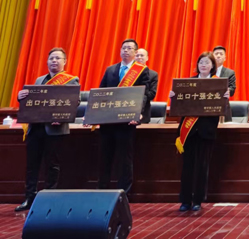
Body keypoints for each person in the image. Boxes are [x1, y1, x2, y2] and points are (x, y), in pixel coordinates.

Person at [15, 48, 79, 212]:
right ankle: (29, 198)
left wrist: (61, 117)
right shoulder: (40, 80)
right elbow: (34, 100)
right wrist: (20, 97)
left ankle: (49, 200)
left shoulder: (71, 81)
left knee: (52, 166)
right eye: (51, 58)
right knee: (32, 165)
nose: (54, 61)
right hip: (36, 128)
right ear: (47, 62)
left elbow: (74, 103)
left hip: (55, 130)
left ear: (65, 62)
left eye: (58, 58)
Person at [171, 52, 229, 212]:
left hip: (206, 130)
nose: (203, 65)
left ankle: (197, 200)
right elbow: (180, 106)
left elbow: (223, 110)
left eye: (207, 62)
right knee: (187, 166)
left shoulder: (218, 84)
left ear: (212, 66)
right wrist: (174, 96)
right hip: (188, 131)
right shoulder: (188, 83)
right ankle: (185, 200)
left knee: (202, 166)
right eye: (201, 62)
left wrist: (225, 98)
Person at [93, 39, 151, 195]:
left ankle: (124, 193)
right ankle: (101, 190)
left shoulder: (141, 71)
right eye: (123, 48)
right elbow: (101, 92)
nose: (126, 50)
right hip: (108, 121)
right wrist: (95, 115)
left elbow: (144, 94)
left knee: (125, 159)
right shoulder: (110, 69)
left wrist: (137, 113)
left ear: (135, 52)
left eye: (129, 48)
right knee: (105, 157)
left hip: (127, 121)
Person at [135, 48, 159, 124]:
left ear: (147, 58)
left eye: (142, 55)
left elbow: (151, 95)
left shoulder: (152, 74)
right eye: (137, 55)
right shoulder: (127, 73)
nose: (139, 57)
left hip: (144, 112)